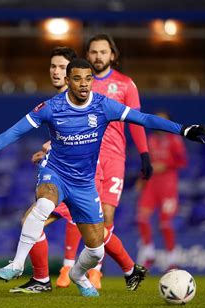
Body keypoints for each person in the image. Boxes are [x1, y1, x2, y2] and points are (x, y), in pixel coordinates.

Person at [0, 58, 205, 297]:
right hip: (55, 172)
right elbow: (13, 132)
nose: (84, 84)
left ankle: (79, 275)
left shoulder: (103, 105)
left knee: (95, 249)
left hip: (84, 183)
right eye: (77, 79)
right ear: (67, 81)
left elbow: (143, 119)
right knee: (44, 203)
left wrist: (183, 129)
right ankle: (17, 263)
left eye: (88, 79)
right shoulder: (51, 108)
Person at [76, 34, 153, 289]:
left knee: (107, 217)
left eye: (103, 52)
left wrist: (144, 154)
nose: (98, 56)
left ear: (113, 55)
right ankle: (94, 271)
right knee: (92, 216)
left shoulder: (125, 85)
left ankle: (101, 268)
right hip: (88, 158)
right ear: (88, 55)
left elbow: (137, 121)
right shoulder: (80, 83)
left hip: (115, 158)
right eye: (94, 52)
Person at [10, 47, 81, 294]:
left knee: (31, 220)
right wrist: (49, 151)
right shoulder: (56, 102)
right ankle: (45, 279)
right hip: (64, 175)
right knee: (98, 234)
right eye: (53, 66)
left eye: (62, 67)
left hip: (73, 178)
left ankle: (44, 279)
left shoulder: (79, 98)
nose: (55, 71)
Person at [136, 110, 187, 271]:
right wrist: (141, 179)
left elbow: (182, 161)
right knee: (142, 218)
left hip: (168, 186)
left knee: (165, 223)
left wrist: (165, 165)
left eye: (163, 120)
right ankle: (149, 253)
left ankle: (172, 261)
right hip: (151, 185)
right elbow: (146, 162)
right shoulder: (150, 140)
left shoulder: (175, 140)